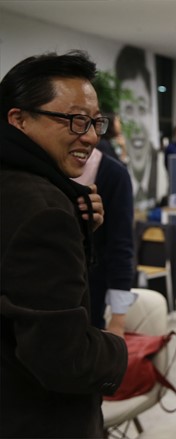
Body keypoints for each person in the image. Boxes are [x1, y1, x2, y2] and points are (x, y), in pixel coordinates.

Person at [0, 50, 128, 437]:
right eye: (74, 119)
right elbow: (63, 357)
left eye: (94, 121)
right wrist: (118, 350)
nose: (90, 136)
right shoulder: (45, 211)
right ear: (19, 119)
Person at [73, 145, 137, 337]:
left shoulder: (113, 174)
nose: (88, 136)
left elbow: (121, 245)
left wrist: (118, 319)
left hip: (90, 298)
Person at [116, 45, 159, 207]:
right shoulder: (113, 166)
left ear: (151, 112)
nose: (136, 125)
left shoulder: (162, 169)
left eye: (142, 109)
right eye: (128, 109)